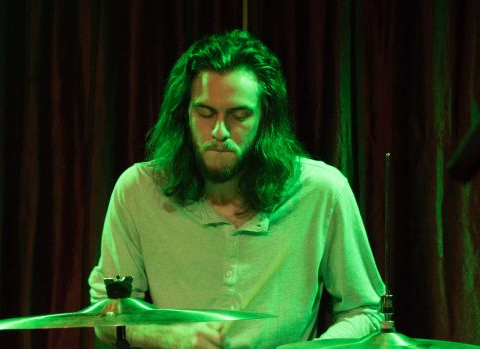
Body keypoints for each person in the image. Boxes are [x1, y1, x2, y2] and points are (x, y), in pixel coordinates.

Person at [88, 30, 385, 348]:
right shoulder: (139, 189)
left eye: (239, 116)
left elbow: (365, 311)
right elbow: (107, 312)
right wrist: (170, 336)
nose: (219, 131)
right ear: (183, 114)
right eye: (205, 113)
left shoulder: (323, 190)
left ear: (265, 120)